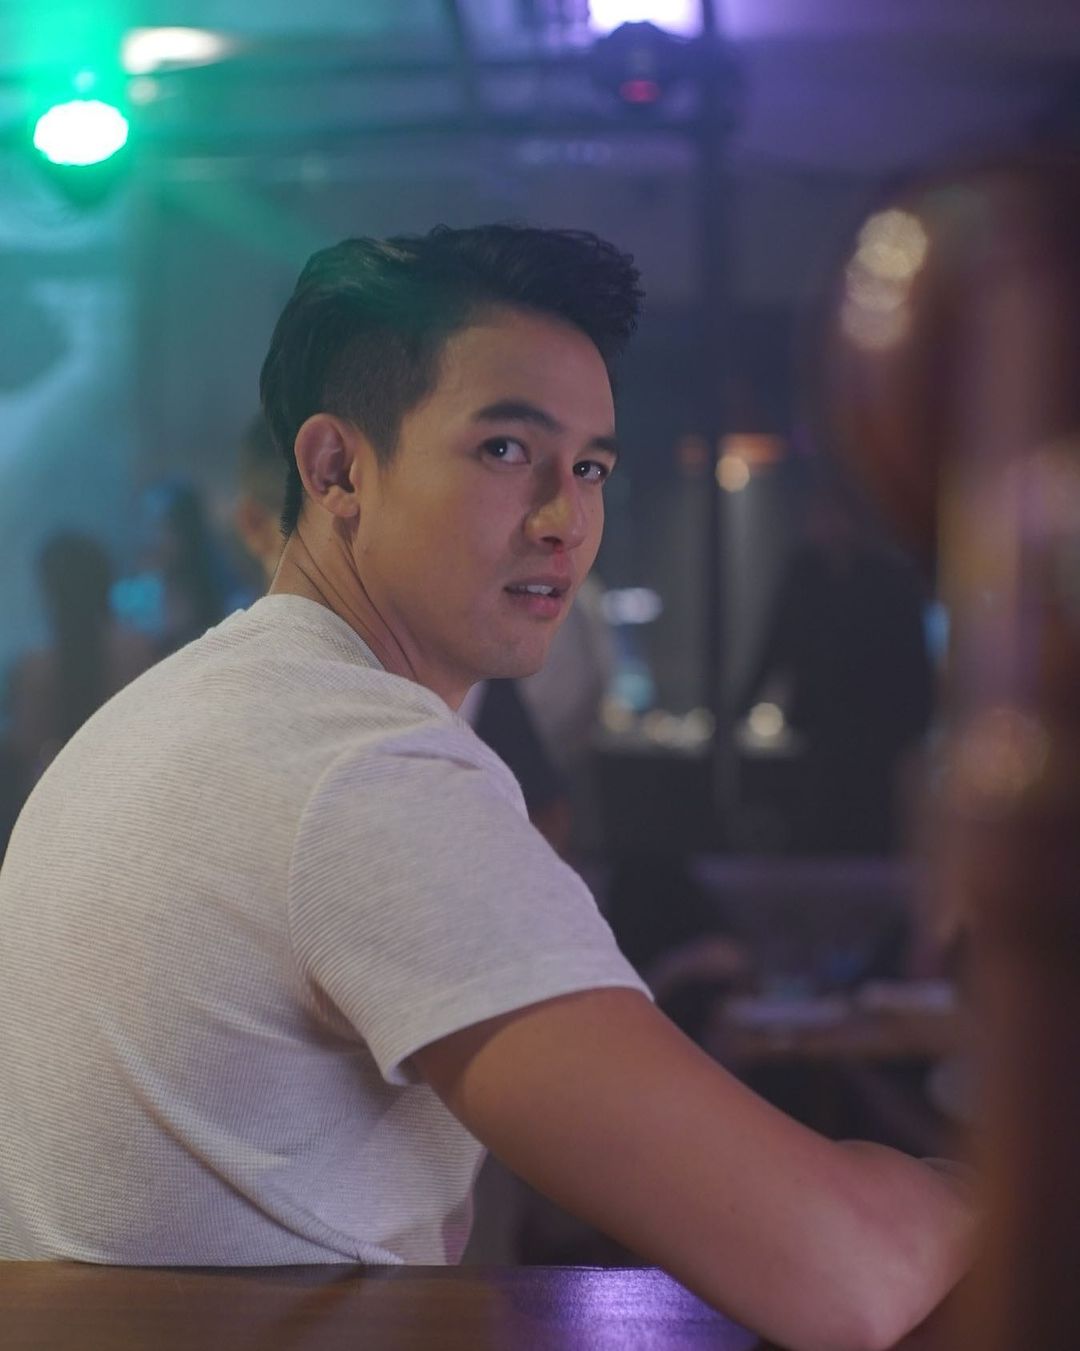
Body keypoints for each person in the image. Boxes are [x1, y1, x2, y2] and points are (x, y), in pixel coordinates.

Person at [0, 225, 972, 1351]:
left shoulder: (178, 713)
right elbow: (839, 1269)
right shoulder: (362, 768)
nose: (566, 518)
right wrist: (992, 1196)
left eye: (592, 467)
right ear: (336, 469)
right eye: (507, 450)